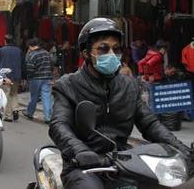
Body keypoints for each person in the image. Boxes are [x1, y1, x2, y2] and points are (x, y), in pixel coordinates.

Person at [49, 18, 194, 189]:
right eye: (103, 49)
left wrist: (182, 149)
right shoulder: (67, 85)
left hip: (125, 160)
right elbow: (59, 125)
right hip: (82, 164)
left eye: (115, 49)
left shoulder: (129, 85)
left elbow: (150, 124)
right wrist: (80, 151)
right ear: (86, 53)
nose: (111, 54)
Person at [0, 34, 25, 122]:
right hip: (16, 75)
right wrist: (24, 77)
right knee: (14, 93)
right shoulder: (19, 51)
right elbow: (23, 64)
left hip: (5, 76)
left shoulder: (1, 50)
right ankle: (15, 109)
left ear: (5, 41)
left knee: (6, 94)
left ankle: (8, 115)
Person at [23, 38, 53, 124]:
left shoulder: (32, 54)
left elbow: (30, 68)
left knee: (34, 97)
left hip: (35, 79)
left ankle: (30, 113)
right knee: (46, 97)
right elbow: (51, 64)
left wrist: (29, 77)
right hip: (47, 77)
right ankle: (48, 117)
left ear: (31, 46)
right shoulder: (46, 53)